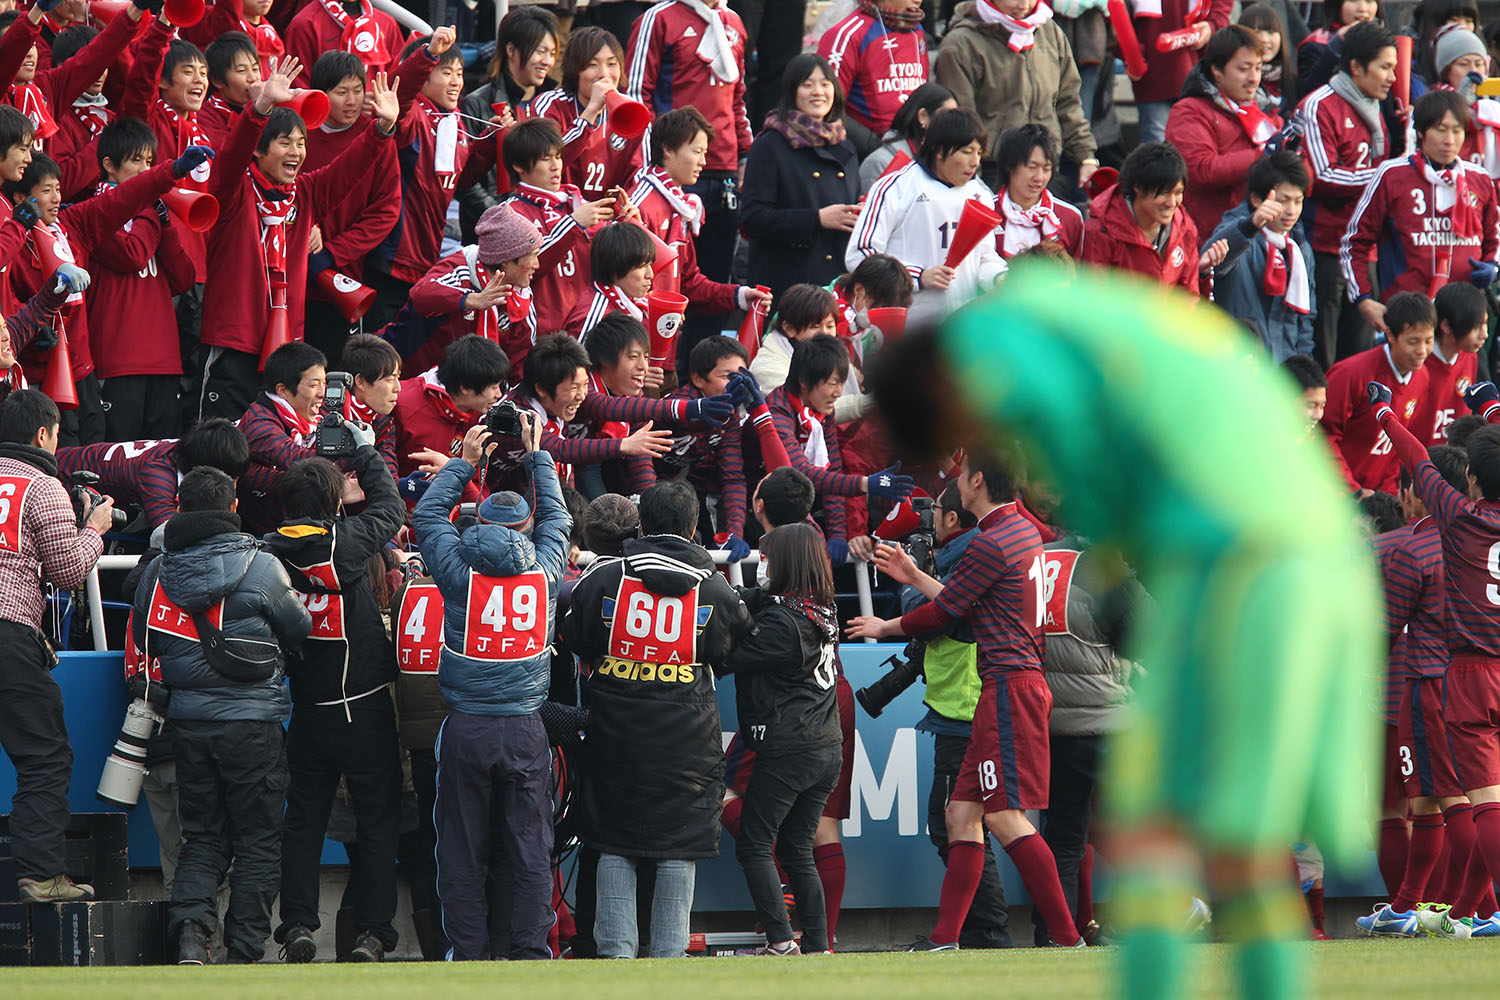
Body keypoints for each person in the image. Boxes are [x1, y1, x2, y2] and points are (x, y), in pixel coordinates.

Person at [873, 264, 1378, 1000]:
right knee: (1222, 831)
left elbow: (1087, 463)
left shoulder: (1010, 353)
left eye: (957, 436)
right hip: (1291, 548)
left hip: (1241, 560)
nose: (977, 450)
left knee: (1158, 829)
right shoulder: (1064, 325)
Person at [847, 445, 1082, 949]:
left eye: (965, 472)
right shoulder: (1024, 531)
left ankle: (1066, 938)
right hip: (1014, 682)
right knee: (961, 814)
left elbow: (945, 615)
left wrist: (884, 622)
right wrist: (914, 576)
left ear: (976, 482)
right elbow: (971, 605)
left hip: (1006, 687)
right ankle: (946, 938)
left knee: (1001, 816)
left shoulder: (989, 543)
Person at [561, 480, 754, 959]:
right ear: (692, 528)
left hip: (613, 733)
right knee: (678, 845)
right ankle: (669, 964)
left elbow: (574, 637)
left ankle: (616, 959)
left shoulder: (604, 578)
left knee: (611, 840)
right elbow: (738, 645)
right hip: (689, 740)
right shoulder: (715, 587)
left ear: (643, 522)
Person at [130, 465, 313, 964]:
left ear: (180, 509)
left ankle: (192, 934)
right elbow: (297, 628)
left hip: (188, 725)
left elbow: (143, 644)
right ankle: (245, 948)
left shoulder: (155, 573)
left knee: (203, 837)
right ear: (233, 507)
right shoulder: (261, 564)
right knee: (258, 839)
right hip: (254, 725)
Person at [413, 411, 571, 961]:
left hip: (467, 727)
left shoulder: (458, 571)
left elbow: (428, 516)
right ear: (525, 527)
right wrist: (539, 455)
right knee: (532, 849)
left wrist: (464, 463)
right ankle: (531, 953)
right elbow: (560, 517)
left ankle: (469, 954)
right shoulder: (547, 570)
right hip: (527, 728)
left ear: (479, 523)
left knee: (460, 847)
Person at [266, 425, 406, 964]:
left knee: (302, 822)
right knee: (377, 822)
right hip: (366, 707)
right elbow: (391, 504)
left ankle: (298, 926)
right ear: (333, 501)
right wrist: (365, 448)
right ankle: (373, 935)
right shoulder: (347, 543)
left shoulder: (266, 555)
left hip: (307, 710)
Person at [1365, 388, 1500, 937]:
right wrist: (1491, 405)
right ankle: (1443, 907)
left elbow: (1417, 460)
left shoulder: (1458, 518)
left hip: (1462, 674)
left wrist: (1383, 412)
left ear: (1472, 481)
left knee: (1475, 801)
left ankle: (1482, 908)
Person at [197, 54, 398, 421]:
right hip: (236, 339)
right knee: (221, 440)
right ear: (260, 150)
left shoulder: (303, 193)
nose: (297, 152)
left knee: (278, 441)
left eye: (301, 143)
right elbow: (230, 156)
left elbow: (347, 170)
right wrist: (259, 108)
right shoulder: (234, 190)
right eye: (285, 143)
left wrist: (381, 129)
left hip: (287, 346)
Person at [0, 388, 112, 903]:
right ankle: (41, 874)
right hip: (9, 635)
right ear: (43, 435)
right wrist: (94, 528)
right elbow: (68, 570)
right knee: (45, 757)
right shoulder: (42, 486)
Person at [3, 144, 193, 445]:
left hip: (82, 372)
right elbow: (8, 303)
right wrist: (34, 334)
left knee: (95, 448)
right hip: (36, 377)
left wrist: (172, 171)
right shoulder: (12, 242)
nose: (56, 199)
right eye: (47, 191)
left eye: (58, 189)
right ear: (21, 198)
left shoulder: (73, 224)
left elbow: (122, 198)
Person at [897, 482, 1013, 948]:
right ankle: (987, 929)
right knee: (968, 825)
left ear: (950, 519)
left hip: (964, 710)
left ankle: (989, 930)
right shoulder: (974, 550)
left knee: (957, 826)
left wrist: (915, 573)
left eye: (935, 513)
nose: (929, 522)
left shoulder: (965, 556)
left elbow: (924, 608)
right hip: (964, 705)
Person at [722, 522, 842, 955]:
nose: (761, 564)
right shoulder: (819, 609)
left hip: (791, 745)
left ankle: (780, 941)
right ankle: (816, 945)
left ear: (786, 561)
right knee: (796, 849)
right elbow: (762, 603)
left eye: (767, 556)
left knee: (755, 842)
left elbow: (723, 656)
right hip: (824, 745)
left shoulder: (782, 623)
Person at [1030, 534, 1144, 946]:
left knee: (1063, 838)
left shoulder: (1038, 560)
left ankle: (1054, 933)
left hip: (1052, 724)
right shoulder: (1104, 570)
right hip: (1109, 720)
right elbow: (1145, 634)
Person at [1343, 89, 1500, 336]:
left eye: (1457, 130)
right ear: (1420, 132)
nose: (1449, 139)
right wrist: (1363, 298)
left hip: (1465, 320)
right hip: (1408, 318)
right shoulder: (1391, 175)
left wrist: (1493, 266)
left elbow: (1494, 238)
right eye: (1440, 129)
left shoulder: (1479, 178)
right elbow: (1354, 243)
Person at [87, 117, 194, 442]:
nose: (145, 170)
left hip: (163, 359)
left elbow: (183, 277)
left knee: (160, 457)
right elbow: (132, 255)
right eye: (136, 161)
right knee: (119, 455)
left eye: (150, 161)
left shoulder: (153, 215)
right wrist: (151, 212)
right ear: (109, 165)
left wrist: (168, 224)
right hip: (119, 359)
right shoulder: (93, 210)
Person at [847, 108, 1004, 325]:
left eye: (979, 153)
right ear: (939, 151)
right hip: (907, 329)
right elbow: (860, 254)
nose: (975, 162)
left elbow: (985, 258)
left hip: (962, 330)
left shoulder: (981, 194)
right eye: (967, 152)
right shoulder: (896, 187)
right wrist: (917, 277)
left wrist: (1001, 278)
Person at [1297, 20, 1396, 367]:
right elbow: (1321, 175)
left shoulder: (1375, 109)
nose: (1392, 78)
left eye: (1394, 68)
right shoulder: (1318, 105)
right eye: (1385, 67)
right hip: (1324, 247)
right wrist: (1386, 176)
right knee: (1324, 356)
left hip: (1362, 251)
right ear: (1355, 67)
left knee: (1360, 357)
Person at [767, 335, 914, 565]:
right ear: (804, 381)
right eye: (832, 383)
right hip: (762, 507)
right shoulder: (777, 411)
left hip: (798, 505)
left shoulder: (823, 412)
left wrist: (837, 533)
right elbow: (801, 471)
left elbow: (833, 468)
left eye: (842, 383)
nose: (838, 392)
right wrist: (866, 484)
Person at [629, 107, 771, 337]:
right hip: (638, 343)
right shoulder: (640, 204)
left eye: (705, 153)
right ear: (667, 149)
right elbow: (624, 281)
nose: (703, 162)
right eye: (697, 152)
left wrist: (740, 296)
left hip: (663, 343)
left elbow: (690, 283)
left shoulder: (681, 205)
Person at [932, 0, 1096, 190]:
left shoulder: (1050, 31)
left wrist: (1086, 157)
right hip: (992, 173)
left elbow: (1068, 103)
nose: (1024, 4)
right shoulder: (961, 44)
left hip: (1046, 169)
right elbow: (961, 125)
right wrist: (972, 186)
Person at [301, 50, 400, 363]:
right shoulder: (299, 132)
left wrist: (333, 250)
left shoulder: (377, 136)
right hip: (290, 271)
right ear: (321, 93)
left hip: (344, 278)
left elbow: (385, 211)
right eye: (341, 92)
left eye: (358, 91)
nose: (351, 101)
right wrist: (304, 224)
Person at [740, 54, 861, 305]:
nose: (818, 92)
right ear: (791, 92)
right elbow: (753, 218)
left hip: (835, 282)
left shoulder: (845, 144)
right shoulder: (770, 144)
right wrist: (817, 219)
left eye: (825, 83)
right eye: (807, 84)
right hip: (788, 284)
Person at [384, 203, 543, 375]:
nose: (537, 265)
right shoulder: (461, 269)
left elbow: (520, 356)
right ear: (506, 259)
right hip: (404, 377)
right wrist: (471, 300)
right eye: (532, 256)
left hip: (471, 391)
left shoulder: (520, 292)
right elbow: (420, 295)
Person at [1165, 25, 1285, 238]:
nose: (1253, 78)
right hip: (1212, 237)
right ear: (1216, 71)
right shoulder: (1190, 110)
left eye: (1258, 68)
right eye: (1243, 69)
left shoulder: (1264, 110)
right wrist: (1264, 155)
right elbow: (1202, 169)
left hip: (1264, 237)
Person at [501, 117, 612, 338]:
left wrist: (627, 222)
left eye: (558, 156)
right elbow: (528, 266)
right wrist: (573, 224)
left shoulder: (576, 203)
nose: (556, 166)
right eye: (545, 159)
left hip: (588, 324)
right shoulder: (509, 213)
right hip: (540, 333)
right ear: (519, 166)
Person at [456, 6, 559, 243]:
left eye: (552, 53)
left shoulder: (554, 102)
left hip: (546, 234)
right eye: (540, 51)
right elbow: (466, 182)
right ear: (511, 49)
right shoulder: (478, 104)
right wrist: (505, 219)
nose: (547, 61)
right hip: (490, 237)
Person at [1204, 150, 1316, 362]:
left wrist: (1302, 368)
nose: (1291, 211)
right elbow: (1212, 261)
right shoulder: (1236, 231)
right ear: (1256, 199)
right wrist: (1251, 225)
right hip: (1239, 364)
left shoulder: (1299, 247)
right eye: (1283, 201)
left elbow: (1305, 321)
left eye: (1298, 201)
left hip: (1284, 369)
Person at [1321, 291, 1436, 494]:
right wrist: (1352, 492)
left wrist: (1389, 495)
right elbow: (1323, 436)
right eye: (1413, 341)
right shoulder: (1351, 374)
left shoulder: (1422, 377)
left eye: (1428, 341)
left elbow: (1398, 445)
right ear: (1390, 335)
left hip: (1378, 497)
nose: (1422, 350)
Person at [525, 27, 643, 204]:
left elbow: (640, 175)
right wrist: (590, 113)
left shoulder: (633, 111)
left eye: (612, 64)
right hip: (557, 212)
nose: (604, 74)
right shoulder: (550, 104)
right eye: (592, 65)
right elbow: (544, 161)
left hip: (609, 221)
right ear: (575, 70)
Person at [1083, 141, 1220, 294]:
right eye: (1164, 193)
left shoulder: (1185, 228)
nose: (1172, 203)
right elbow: (1093, 301)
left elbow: (1188, 297)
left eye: (1178, 193)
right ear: (1138, 187)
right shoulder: (1099, 232)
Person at [393, 334, 510, 506]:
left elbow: (477, 485)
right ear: (464, 388)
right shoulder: (400, 406)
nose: (499, 394)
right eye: (493, 387)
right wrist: (399, 509)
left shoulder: (480, 415)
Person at [1130, 0, 1236, 144]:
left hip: (1198, 76)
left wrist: (1212, 26)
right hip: (1152, 76)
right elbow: (1117, 15)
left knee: (1197, 146)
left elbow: (1221, 8)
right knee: (1156, 153)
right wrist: (1128, 53)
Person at [817, 0, 929, 136]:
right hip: (868, 148)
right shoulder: (847, 35)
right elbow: (827, 108)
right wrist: (873, 145)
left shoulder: (917, 31)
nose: (918, 0)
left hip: (915, 143)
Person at [992, 124, 1084, 259]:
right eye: (1031, 167)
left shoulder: (1070, 218)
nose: (1039, 177)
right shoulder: (987, 211)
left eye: (1046, 169)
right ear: (1009, 166)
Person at [1413, 281, 1487, 446]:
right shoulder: (1417, 362)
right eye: (1476, 326)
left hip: (1454, 461)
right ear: (1446, 326)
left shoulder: (1471, 357)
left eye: (1485, 324)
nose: (1485, 334)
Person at [564, 220, 658, 340]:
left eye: (650, 264)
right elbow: (579, 358)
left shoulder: (638, 303)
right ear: (616, 266)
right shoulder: (595, 318)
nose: (650, 274)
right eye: (642, 266)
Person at [282, 0, 404, 87]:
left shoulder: (387, 24)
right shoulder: (304, 24)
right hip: (324, 120)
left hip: (377, 119)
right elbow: (298, 85)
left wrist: (382, 103)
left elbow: (398, 81)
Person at [858, 82, 955, 190]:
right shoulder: (880, 162)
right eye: (945, 115)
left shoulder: (951, 162)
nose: (952, 123)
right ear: (923, 116)